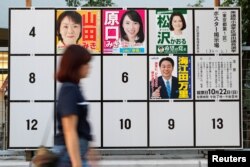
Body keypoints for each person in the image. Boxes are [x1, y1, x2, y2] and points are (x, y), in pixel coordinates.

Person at [54, 45, 93, 167]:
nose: (89, 67)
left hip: (74, 155)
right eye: (85, 63)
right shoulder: (69, 90)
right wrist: (76, 163)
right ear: (76, 65)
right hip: (68, 157)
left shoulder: (74, 88)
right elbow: (69, 129)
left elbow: (80, 126)